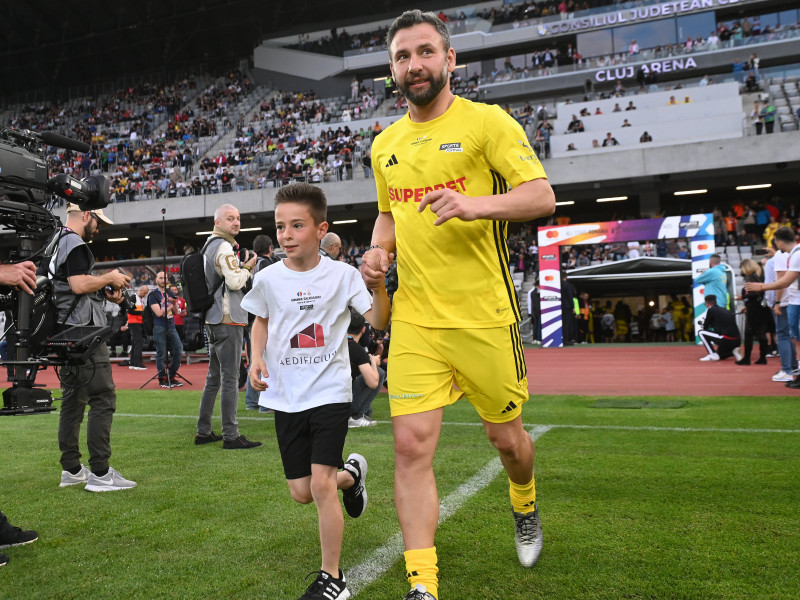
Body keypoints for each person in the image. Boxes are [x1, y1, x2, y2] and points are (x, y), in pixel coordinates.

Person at [361, 10, 555, 600]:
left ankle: (524, 503)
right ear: (392, 69)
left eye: (424, 52)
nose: (413, 65)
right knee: (410, 446)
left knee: (508, 442)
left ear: (450, 60)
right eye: (401, 56)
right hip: (417, 319)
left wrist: (476, 205)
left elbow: (541, 196)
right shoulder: (385, 144)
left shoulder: (487, 123)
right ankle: (424, 586)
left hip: (484, 318)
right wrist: (376, 252)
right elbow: (389, 214)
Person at [242, 182, 390, 600]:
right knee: (302, 492)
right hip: (286, 395)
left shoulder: (342, 276)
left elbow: (377, 318)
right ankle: (353, 476)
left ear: (320, 228)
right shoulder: (268, 278)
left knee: (321, 485)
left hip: (329, 392)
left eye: (297, 226)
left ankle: (333, 579)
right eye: (280, 226)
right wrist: (256, 358)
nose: (286, 235)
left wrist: (378, 286)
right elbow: (261, 321)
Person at [54, 203, 137, 492]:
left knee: (73, 400)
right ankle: (101, 474)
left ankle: (72, 469)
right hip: (84, 334)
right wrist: (110, 277)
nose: (98, 228)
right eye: (97, 221)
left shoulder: (55, 240)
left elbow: (69, 286)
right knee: (102, 397)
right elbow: (77, 285)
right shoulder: (75, 243)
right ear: (86, 215)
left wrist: (103, 291)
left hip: (64, 331)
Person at [195, 204, 261, 449]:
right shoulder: (224, 247)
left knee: (213, 378)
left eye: (238, 218)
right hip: (228, 318)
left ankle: (203, 431)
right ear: (218, 222)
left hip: (212, 319)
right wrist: (248, 267)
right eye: (230, 218)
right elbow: (235, 282)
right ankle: (231, 435)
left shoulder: (208, 245)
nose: (236, 222)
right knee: (230, 378)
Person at [745, 227, 800, 387]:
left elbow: (785, 281)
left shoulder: (795, 255)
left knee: (793, 337)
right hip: (794, 301)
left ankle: (791, 371)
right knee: (794, 337)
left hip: (795, 301)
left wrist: (761, 287)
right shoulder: (793, 253)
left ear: (779, 241)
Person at [244, 235, 280, 412]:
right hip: (266, 315)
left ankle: (252, 401)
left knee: (256, 357)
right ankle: (265, 403)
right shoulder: (267, 265)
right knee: (267, 358)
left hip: (254, 315)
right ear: (270, 248)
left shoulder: (255, 264)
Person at [347, 309, 385, 427]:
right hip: (343, 401)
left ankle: (360, 413)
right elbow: (373, 382)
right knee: (379, 372)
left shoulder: (336, 344)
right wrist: (373, 362)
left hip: (325, 400)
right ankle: (358, 415)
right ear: (364, 329)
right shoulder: (356, 349)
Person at [148, 272, 184, 388]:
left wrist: (174, 304)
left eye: (165, 278)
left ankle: (171, 376)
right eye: (161, 278)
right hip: (159, 326)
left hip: (171, 325)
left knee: (178, 350)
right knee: (161, 353)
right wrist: (170, 304)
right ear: (156, 280)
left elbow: (176, 312)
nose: (163, 280)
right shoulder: (153, 295)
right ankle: (162, 378)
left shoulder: (170, 292)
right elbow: (158, 313)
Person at [736, 259, 771, 365]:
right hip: (759, 309)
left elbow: (754, 294)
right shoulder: (758, 276)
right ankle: (762, 358)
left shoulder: (751, 278)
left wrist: (744, 296)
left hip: (754, 310)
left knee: (749, 334)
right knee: (761, 333)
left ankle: (747, 359)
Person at [698, 295, 742, 361]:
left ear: (707, 303)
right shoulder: (726, 310)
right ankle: (733, 351)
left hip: (726, 339)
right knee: (720, 356)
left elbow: (705, 327)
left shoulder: (710, 310)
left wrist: (705, 325)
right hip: (737, 340)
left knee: (701, 332)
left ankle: (712, 354)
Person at [124, 284, 149, 370]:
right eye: (145, 293)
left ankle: (133, 362)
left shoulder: (139, 299)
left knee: (135, 342)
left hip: (137, 322)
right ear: (141, 290)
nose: (145, 295)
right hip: (134, 322)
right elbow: (130, 310)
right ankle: (137, 363)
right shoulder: (133, 298)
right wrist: (141, 313)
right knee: (138, 342)